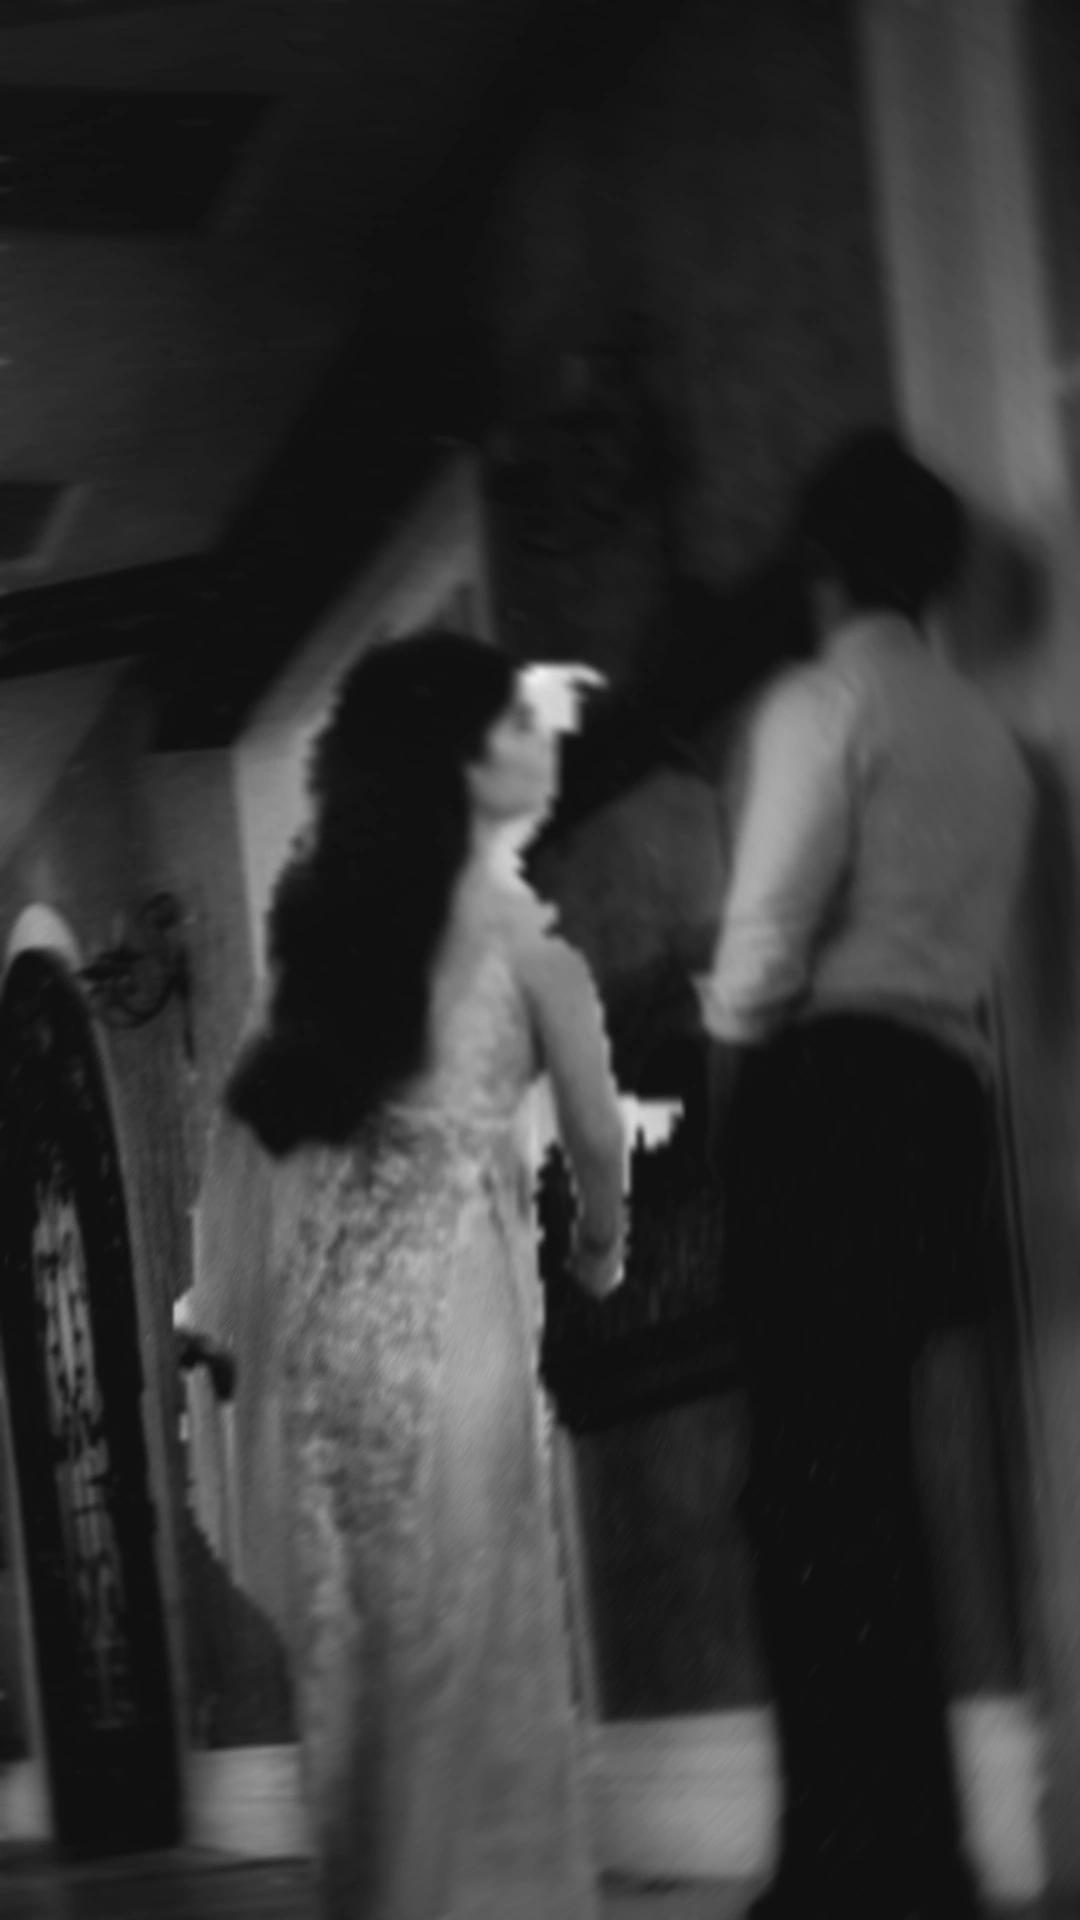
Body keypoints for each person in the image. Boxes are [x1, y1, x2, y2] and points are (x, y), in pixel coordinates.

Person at [192, 630, 628, 1920]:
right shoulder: (530, 949)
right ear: (455, 759)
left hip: (340, 1334)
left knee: (367, 1635)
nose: (537, 741)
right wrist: (598, 1252)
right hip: (459, 1309)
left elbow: (254, 1146)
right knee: (476, 1619)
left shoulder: (325, 946)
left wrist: (239, 1308)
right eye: (512, 725)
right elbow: (596, 1139)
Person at [697, 430, 1034, 1920]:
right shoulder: (987, 737)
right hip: (942, 1099)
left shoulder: (822, 702)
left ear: (821, 558)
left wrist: (733, 1084)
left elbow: (767, 932)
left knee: (804, 1492)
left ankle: (839, 1864)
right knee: (875, 1479)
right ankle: (918, 1858)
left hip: (825, 1093)